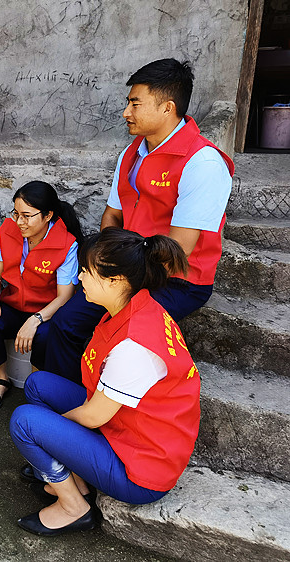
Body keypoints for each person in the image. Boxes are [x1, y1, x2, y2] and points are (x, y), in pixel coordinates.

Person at [44, 58, 234, 384]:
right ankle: (65, 403)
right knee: (65, 323)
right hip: (127, 269)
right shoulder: (132, 153)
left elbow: (178, 250)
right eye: (127, 103)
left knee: (119, 337)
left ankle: (101, 414)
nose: (125, 113)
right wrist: (104, 263)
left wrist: (121, 278)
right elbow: (112, 215)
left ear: (167, 108)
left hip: (177, 279)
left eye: (135, 103)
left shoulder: (203, 162)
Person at [10, 228, 200, 537]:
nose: (80, 278)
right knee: (38, 385)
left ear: (117, 281)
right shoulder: (132, 306)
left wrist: (52, 430)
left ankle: (74, 507)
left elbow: (92, 416)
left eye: (86, 272)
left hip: (140, 470)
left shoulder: (135, 347)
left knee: (26, 423)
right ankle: (77, 477)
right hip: (127, 427)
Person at [0, 181, 83, 410]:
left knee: (45, 336)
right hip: (12, 304)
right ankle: (2, 379)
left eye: (27, 216)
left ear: (47, 215)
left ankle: (36, 385)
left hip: (47, 310)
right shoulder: (7, 232)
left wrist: (36, 319)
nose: (19, 222)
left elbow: (64, 295)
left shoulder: (66, 244)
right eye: (16, 214)